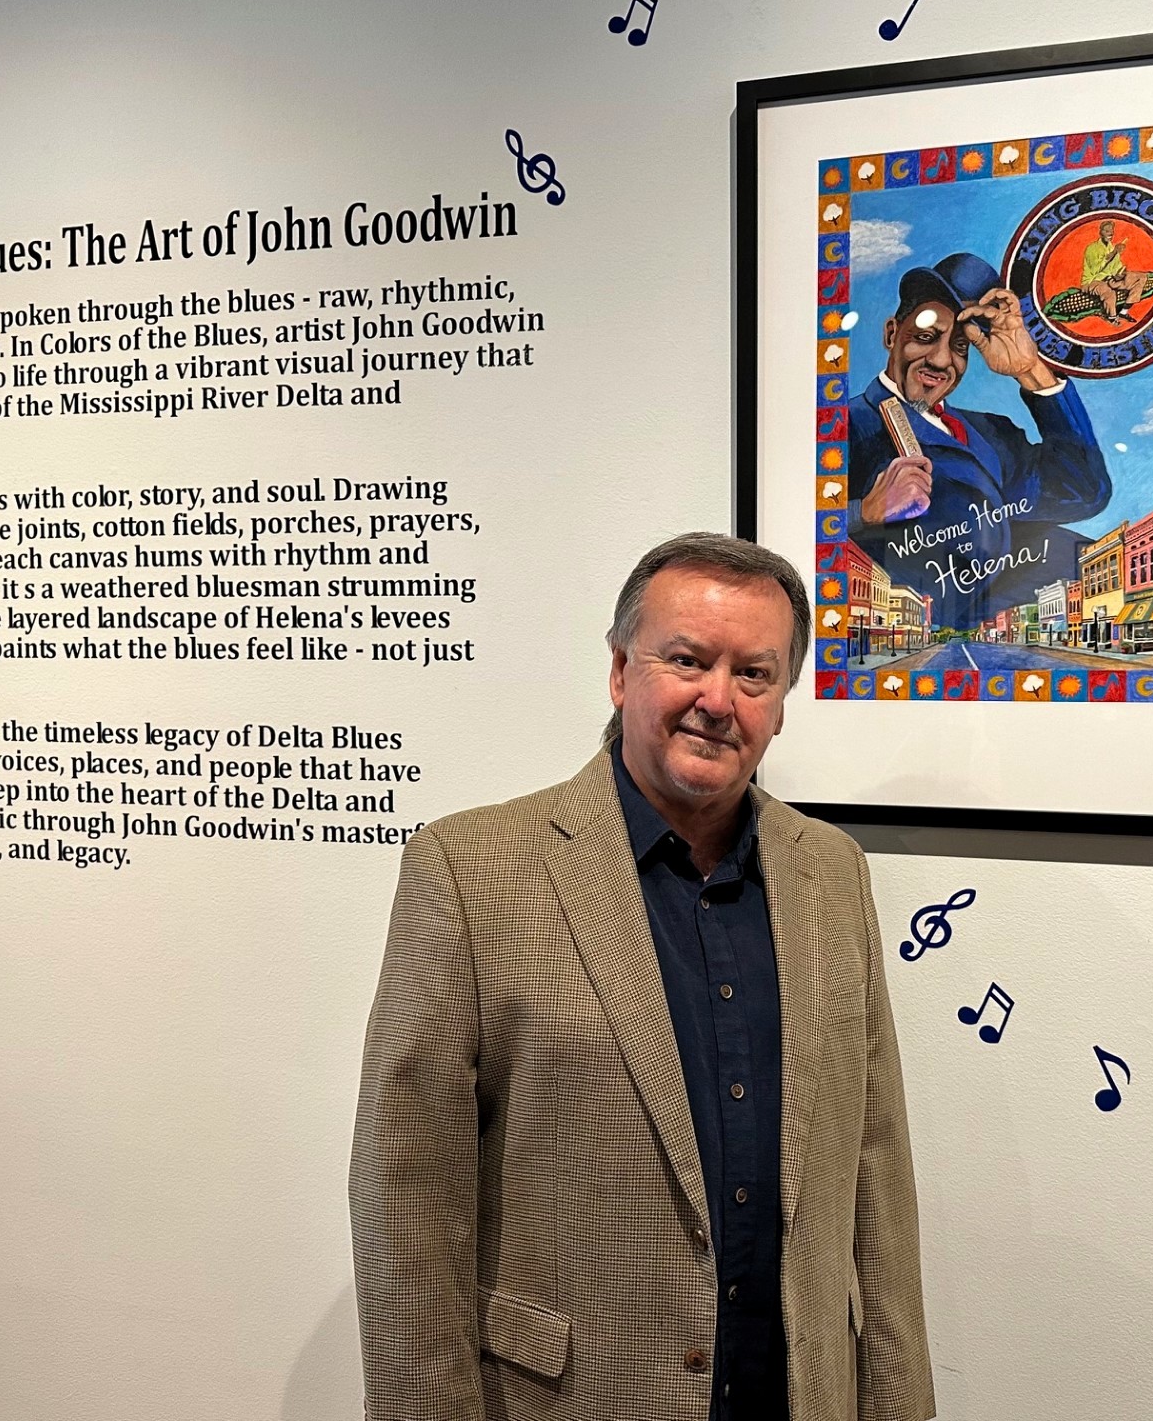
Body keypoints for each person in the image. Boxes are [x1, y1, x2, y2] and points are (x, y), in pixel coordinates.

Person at [351, 533, 934, 1421]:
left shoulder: (832, 873)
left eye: (754, 674)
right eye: (688, 660)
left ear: (782, 704)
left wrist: (899, 1406)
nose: (718, 700)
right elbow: (407, 1193)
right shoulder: (469, 871)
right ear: (622, 671)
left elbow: (875, 1164)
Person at [846, 250, 1112, 633]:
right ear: (891, 333)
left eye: (960, 347)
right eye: (925, 337)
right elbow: (797, 528)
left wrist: (1031, 371)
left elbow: (1084, 493)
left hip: (1019, 628)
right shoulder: (849, 425)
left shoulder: (992, 432)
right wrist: (864, 513)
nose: (942, 361)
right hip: (928, 633)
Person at [1078, 219, 1151, 325]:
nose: (1110, 234)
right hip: (1093, 281)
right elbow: (1095, 269)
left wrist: (1121, 273)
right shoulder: (1092, 248)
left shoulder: (1111, 247)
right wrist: (1114, 253)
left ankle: (1124, 311)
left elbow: (1116, 266)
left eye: (1112, 231)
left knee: (1141, 277)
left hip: (1111, 279)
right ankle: (1112, 318)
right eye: (1107, 231)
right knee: (1108, 292)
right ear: (1100, 232)